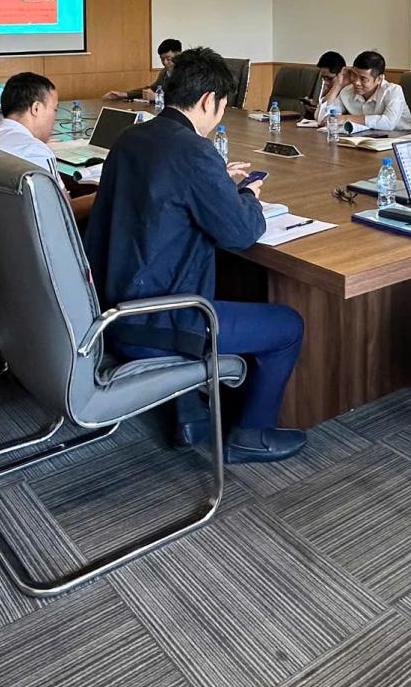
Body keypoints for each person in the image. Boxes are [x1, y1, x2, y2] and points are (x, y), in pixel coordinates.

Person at [83, 47, 307, 463]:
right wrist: (246, 196)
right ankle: (251, 435)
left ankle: (190, 412)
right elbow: (241, 232)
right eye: (222, 107)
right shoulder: (192, 150)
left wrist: (216, 182)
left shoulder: (131, 137)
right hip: (159, 321)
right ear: (209, 100)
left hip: (108, 309)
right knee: (287, 325)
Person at [0, 71, 96, 250]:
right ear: (36, 108)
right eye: (54, 110)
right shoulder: (35, 152)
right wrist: (102, 195)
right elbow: (65, 213)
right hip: (6, 260)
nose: (54, 117)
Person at [326, 50, 411, 134]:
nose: (356, 82)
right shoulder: (347, 91)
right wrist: (338, 85)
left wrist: (347, 118)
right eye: (354, 75)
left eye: (363, 79)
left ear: (379, 79)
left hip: (402, 139)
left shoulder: (393, 91)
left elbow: (389, 123)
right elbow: (324, 117)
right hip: (367, 138)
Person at [108, 38, 182, 101]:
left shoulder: (186, 73)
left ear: (179, 56)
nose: (164, 63)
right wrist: (125, 94)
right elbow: (151, 89)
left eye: (168, 59)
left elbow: (184, 99)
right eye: (162, 59)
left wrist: (157, 97)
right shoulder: (164, 72)